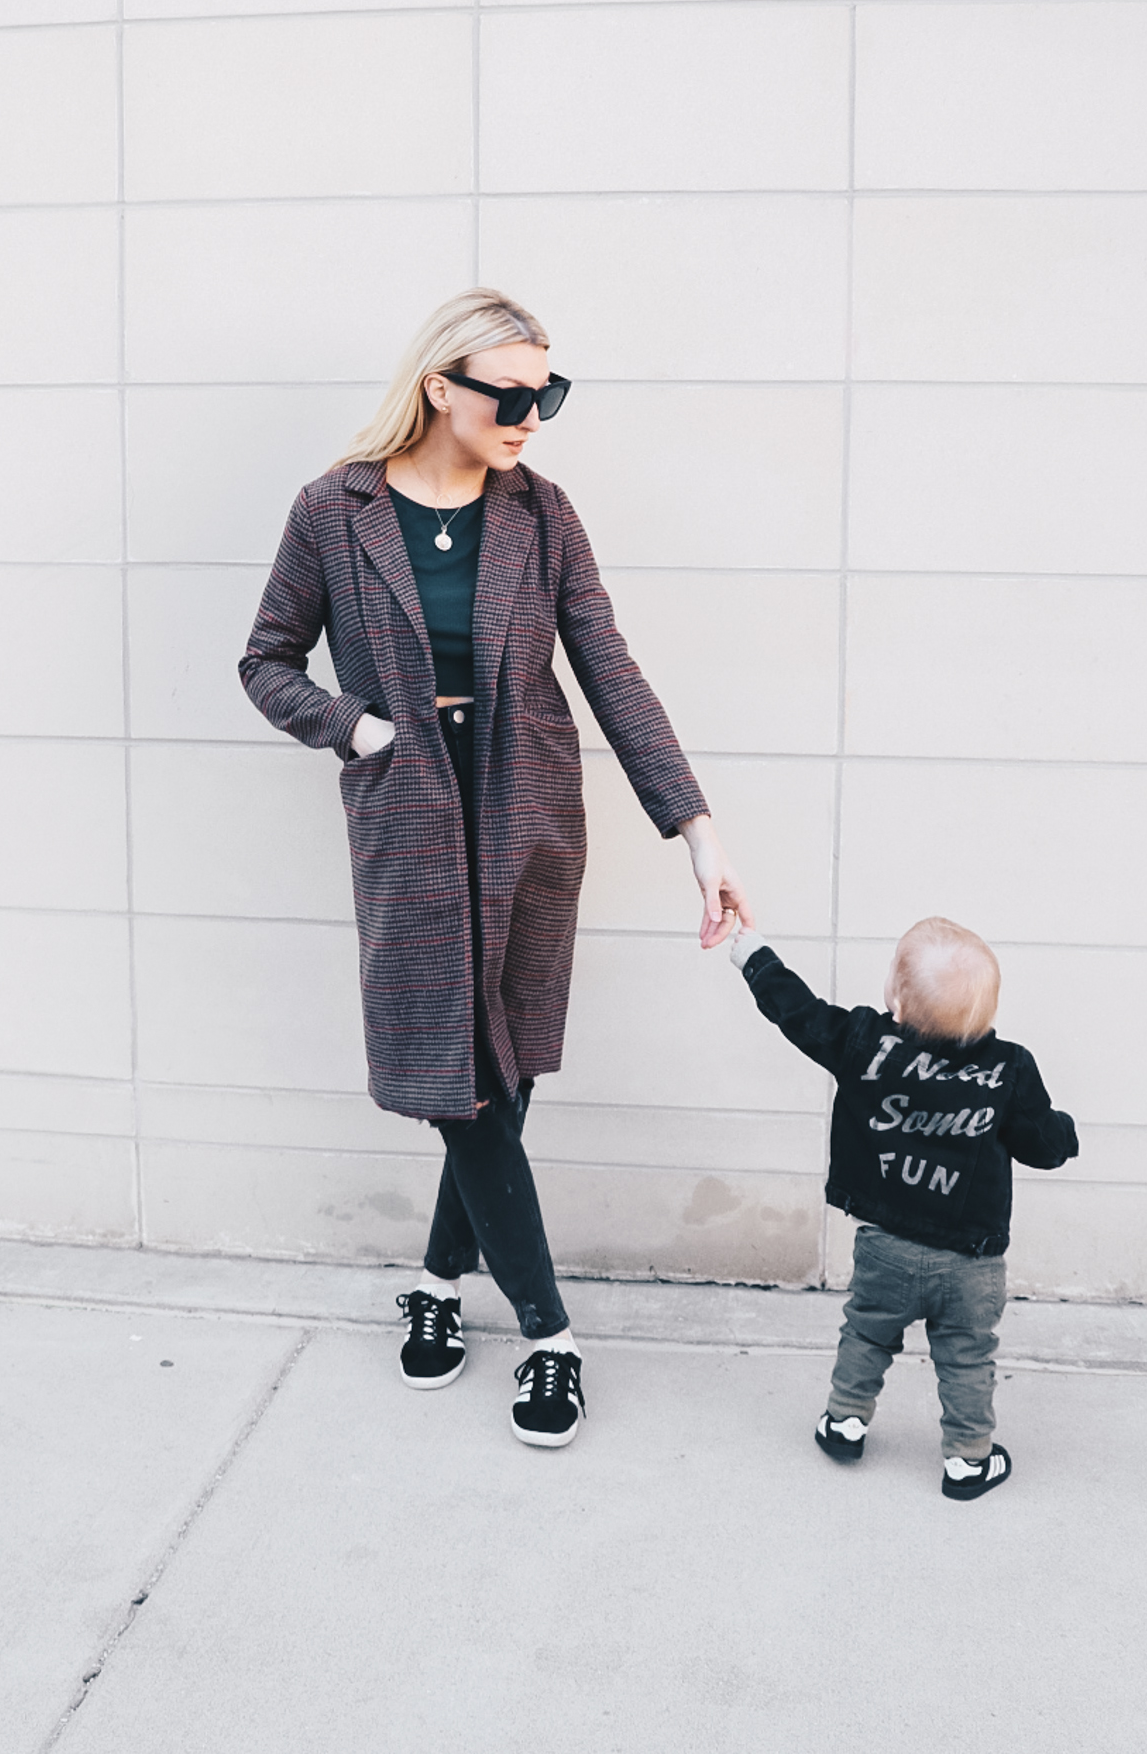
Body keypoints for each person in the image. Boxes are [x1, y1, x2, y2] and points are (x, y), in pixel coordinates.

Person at [240, 289, 751, 1448]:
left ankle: (433, 1284)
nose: (533, 415)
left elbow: (610, 671)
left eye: (548, 394)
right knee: (460, 1077)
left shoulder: (542, 516)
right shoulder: (335, 511)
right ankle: (550, 1337)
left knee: (501, 1070)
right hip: (410, 821)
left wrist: (699, 834)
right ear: (439, 387)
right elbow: (266, 660)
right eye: (511, 395)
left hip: (528, 815)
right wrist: (354, 728)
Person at [726, 914, 1077, 1498]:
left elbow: (800, 1015)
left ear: (896, 996)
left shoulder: (866, 1043)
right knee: (966, 1358)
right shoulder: (1009, 1070)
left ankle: (844, 1420)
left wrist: (752, 956)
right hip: (971, 1262)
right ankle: (967, 1459)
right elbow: (1042, 1146)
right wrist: (1065, 1133)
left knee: (867, 1334)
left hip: (885, 1247)